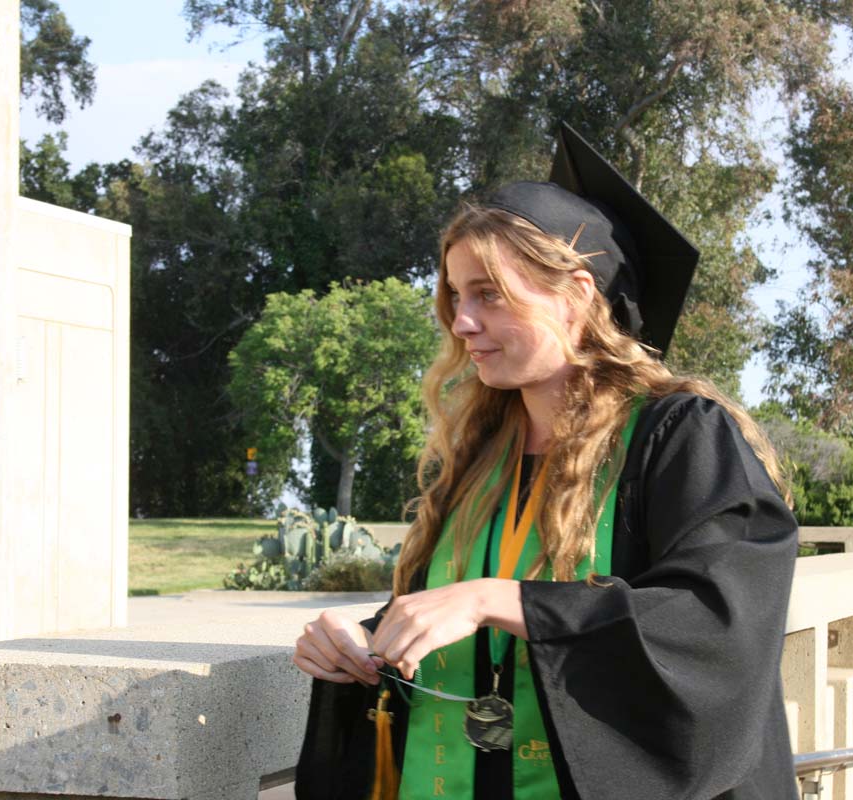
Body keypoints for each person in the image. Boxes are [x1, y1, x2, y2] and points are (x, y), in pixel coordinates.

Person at [292, 124, 799, 800]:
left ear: (576, 295)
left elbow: (714, 623)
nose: (460, 322)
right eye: (454, 296)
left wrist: (496, 601)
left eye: (489, 294)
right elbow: (455, 619)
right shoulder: (478, 456)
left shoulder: (679, 436)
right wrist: (361, 639)